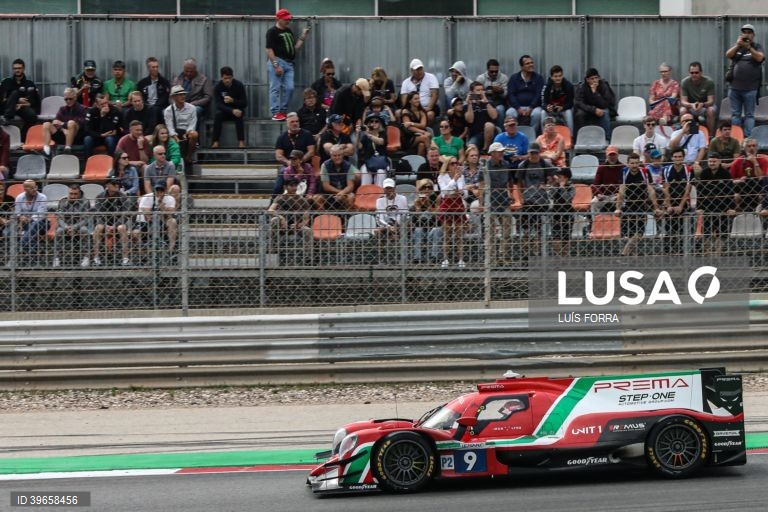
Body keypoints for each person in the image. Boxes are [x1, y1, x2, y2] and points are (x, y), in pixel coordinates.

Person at [266, 8, 310, 121]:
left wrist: (303, 36)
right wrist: (276, 65)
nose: (288, 21)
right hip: (278, 61)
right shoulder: (272, 32)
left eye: (288, 19)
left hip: (289, 63)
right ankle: (276, 112)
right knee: (275, 87)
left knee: (290, 88)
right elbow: (269, 49)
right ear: (279, 19)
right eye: (285, 19)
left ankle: (283, 111)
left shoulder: (288, 31)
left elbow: (295, 48)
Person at [614, 153, 661, 256]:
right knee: (629, 233)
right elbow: (622, 190)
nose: (634, 165)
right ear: (628, 163)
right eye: (632, 163)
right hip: (628, 204)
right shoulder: (624, 172)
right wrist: (618, 207)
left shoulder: (644, 172)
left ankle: (625, 253)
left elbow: (651, 190)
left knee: (639, 232)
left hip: (641, 204)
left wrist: (656, 207)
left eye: (636, 163)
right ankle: (632, 256)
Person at [725, 23, 765, 137]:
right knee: (735, 114)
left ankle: (748, 138)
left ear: (753, 35)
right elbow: (728, 54)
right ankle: (737, 137)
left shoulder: (757, 46)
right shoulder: (738, 47)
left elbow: (760, 57)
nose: (747, 34)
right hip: (734, 88)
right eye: (744, 32)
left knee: (749, 115)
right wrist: (738, 45)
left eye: (749, 32)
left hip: (750, 89)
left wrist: (749, 48)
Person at [516, 143, 555, 259]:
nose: (533, 155)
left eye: (535, 153)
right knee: (526, 230)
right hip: (528, 201)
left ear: (539, 153)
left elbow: (553, 179)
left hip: (541, 201)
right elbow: (518, 183)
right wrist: (521, 198)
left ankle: (538, 253)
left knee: (540, 229)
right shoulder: (523, 165)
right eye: (531, 153)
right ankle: (525, 254)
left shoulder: (544, 164)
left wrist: (547, 185)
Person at [695, 152, 736, 257]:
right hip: (708, 207)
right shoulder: (704, 173)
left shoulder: (725, 174)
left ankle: (718, 252)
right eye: (710, 161)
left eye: (714, 161)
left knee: (722, 231)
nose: (712, 163)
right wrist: (699, 207)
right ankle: (707, 252)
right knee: (707, 231)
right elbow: (700, 192)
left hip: (723, 207)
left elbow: (730, 191)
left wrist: (731, 207)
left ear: (719, 162)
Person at [481, 142, 514, 263]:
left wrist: (511, 193)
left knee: (507, 230)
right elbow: (481, 185)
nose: (502, 153)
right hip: (490, 201)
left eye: (502, 151)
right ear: (492, 153)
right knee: (490, 232)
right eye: (499, 151)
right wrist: (481, 204)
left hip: (504, 199)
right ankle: (491, 258)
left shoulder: (506, 164)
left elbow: (509, 181)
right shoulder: (485, 166)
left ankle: (503, 256)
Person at [92, 179, 131, 266]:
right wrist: (106, 226)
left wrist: (114, 226)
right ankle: (96, 258)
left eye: (118, 183)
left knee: (122, 228)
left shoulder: (123, 197)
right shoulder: (100, 196)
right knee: (98, 228)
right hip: (104, 222)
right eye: (114, 183)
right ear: (107, 185)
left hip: (119, 222)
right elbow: (98, 214)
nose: (117, 185)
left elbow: (125, 214)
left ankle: (125, 258)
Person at [662, 147, 692, 255]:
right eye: (675, 157)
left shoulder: (688, 170)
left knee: (681, 228)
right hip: (670, 201)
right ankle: (667, 252)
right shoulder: (666, 170)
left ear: (683, 158)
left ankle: (681, 251)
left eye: (680, 156)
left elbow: (687, 190)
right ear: (672, 158)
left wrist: (680, 206)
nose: (677, 158)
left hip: (683, 203)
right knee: (669, 227)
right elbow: (666, 188)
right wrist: (669, 205)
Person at [437, 156, 466, 268]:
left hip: (458, 204)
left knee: (459, 234)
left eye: (457, 163)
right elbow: (444, 192)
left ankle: (461, 259)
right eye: (452, 163)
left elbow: (462, 192)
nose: (455, 165)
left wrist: (457, 190)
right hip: (447, 205)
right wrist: (454, 180)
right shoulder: (441, 177)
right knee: (447, 234)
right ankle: (445, 259)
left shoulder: (461, 176)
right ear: (448, 165)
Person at [52, 184, 91, 268]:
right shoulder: (62, 201)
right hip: (65, 226)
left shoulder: (86, 202)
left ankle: (86, 257)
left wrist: (75, 227)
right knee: (59, 231)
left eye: (75, 194)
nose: (72, 196)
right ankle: (57, 258)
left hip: (79, 226)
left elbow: (85, 219)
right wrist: (66, 227)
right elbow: (59, 218)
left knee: (84, 230)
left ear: (79, 193)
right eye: (71, 194)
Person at [133, 183, 177, 256]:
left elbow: (170, 214)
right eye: (157, 190)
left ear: (165, 191)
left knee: (173, 221)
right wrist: (162, 212)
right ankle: (143, 255)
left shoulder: (170, 198)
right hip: (145, 223)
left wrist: (162, 207)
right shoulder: (147, 197)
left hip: (162, 223)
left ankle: (171, 250)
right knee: (136, 232)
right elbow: (147, 216)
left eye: (161, 191)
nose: (159, 193)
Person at [267, 176, 312, 248]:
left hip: (296, 225)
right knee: (274, 220)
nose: (294, 188)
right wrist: (281, 218)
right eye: (291, 186)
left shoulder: (302, 200)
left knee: (308, 231)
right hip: (282, 225)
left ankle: (308, 255)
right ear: (285, 187)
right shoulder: (280, 198)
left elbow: (306, 218)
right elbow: (270, 210)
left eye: (295, 185)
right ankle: (273, 247)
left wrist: (299, 225)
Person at [41, 87, 86, 156]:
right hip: (63, 134)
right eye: (66, 99)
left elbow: (80, 122)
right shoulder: (62, 109)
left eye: (70, 99)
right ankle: (46, 150)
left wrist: (63, 124)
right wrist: (63, 130)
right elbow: (55, 122)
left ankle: (68, 149)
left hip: (76, 136)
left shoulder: (81, 109)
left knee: (71, 123)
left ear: (75, 98)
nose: (68, 101)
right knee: (46, 124)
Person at [505, 55, 544, 134]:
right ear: (522, 67)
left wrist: (531, 107)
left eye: (532, 63)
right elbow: (511, 94)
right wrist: (518, 108)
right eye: (527, 63)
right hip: (517, 107)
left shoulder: (538, 78)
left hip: (534, 107)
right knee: (509, 113)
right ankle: (513, 134)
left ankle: (532, 134)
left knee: (537, 114)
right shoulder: (514, 78)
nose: (531, 65)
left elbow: (538, 94)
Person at [0, 59, 39, 137]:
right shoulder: (6, 82)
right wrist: (16, 101)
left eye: (19, 68)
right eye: (15, 68)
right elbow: (1, 98)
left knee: (32, 116)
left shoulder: (29, 83)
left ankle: (22, 138)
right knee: (15, 93)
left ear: (23, 69)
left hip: (21, 107)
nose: (17, 70)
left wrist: (25, 104)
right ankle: (7, 118)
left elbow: (35, 100)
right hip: (7, 107)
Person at [212, 66, 247, 149]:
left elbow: (244, 103)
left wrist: (233, 101)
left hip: (238, 109)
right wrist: (232, 110)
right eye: (225, 78)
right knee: (218, 115)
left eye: (229, 78)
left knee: (239, 114)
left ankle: (241, 141)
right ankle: (215, 141)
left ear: (232, 77)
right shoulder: (218, 87)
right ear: (221, 78)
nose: (227, 80)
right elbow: (218, 105)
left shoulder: (239, 85)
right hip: (225, 111)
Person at [679, 62, 717, 138]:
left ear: (701, 72)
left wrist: (702, 104)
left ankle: (710, 136)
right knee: (683, 110)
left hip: (704, 106)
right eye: (692, 73)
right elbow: (683, 101)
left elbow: (711, 101)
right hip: (691, 106)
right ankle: (685, 134)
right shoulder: (685, 82)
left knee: (711, 111)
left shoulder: (708, 82)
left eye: (696, 72)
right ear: (689, 73)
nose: (694, 75)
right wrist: (691, 105)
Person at [730, 137, 768, 213]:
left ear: (757, 147)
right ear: (744, 148)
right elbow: (729, 180)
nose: (751, 148)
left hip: (758, 188)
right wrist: (739, 180)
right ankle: (738, 214)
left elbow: (761, 178)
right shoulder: (738, 161)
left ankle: (760, 213)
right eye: (749, 146)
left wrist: (755, 162)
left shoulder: (763, 160)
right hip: (742, 189)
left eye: (754, 146)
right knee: (735, 196)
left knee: (762, 196)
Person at [574, 68, 615, 135]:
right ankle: (579, 137)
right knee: (579, 114)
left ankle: (606, 138)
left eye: (596, 78)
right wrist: (593, 109)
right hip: (588, 109)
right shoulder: (582, 87)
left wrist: (595, 93)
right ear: (587, 80)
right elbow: (579, 103)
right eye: (592, 79)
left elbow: (605, 104)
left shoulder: (603, 85)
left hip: (601, 108)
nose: (595, 80)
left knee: (605, 112)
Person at [171, 58, 214, 124]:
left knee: (195, 111)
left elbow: (208, 97)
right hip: (179, 105)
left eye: (191, 71)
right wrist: (176, 104)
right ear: (184, 69)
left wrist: (193, 104)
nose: (188, 73)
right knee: (165, 112)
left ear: (195, 69)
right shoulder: (177, 79)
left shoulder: (203, 79)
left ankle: (192, 133)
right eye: (186, 71)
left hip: (195, 104)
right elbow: (171, 96)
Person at [164, 85, 198, 165]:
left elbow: (192, 124)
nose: (183, 96)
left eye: (183, 94)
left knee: (194, 134)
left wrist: (187, 133)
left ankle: (188, 157)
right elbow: (169, 127)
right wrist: (175, 136)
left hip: (187, 132)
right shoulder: (168, 110)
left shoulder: (192, 108)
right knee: (167, 136)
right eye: (180, 94)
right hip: (175, 133)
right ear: (173, 97)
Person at [12, 180, 48, 257]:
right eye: (31, 188)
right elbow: (17, 212)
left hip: (42, 224)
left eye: (35, 187)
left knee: (35, 224)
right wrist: (20, 217)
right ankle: (34, 254)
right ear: (25, 189)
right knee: (9, 230)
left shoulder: (42, 197)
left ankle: (22, 242)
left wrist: (28, 219)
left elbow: (40, 215)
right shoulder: (19, 198)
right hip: (24, 223)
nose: (35, 189)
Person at [399, 59, 440, 123]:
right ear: (411, 71)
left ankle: (425, 130)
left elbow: (435, 95)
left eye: (420, 69)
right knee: (398, 113)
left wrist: (428, 108)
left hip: (428, 107)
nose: (419, 71)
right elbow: (404, 100)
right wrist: (411, 110)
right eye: (417, 69)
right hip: (412, 108)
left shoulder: (431, 77)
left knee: (430, 115)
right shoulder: (406, 82)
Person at [411, 178, 441, 264]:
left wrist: (428, 206)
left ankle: (434, 257)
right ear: (420, 189)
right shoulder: (417, 200)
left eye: (429, 187)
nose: (427, 189)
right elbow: (414, 221)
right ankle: (418, 257)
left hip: (434, 227)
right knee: (418, 230)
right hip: (422, 228)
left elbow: (439, 218)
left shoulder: (436, 198)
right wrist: (418, 208)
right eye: (424, 187)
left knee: (436, 230)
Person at [548, 168, 576, 258]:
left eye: (560, 176)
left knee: (566, 237)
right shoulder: (555, 186)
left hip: (567, 212)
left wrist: (563, 188)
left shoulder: (571, 187)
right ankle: (557, 255)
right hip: (556, 212)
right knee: (556, 236)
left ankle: (565, 255)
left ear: (566, 177)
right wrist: (557, 187)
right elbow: (550, 196)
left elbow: (568, 199)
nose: (558, 178)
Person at [320, 144, 357, 210]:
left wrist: (343, 193)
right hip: (329, 193)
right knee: (317, 198)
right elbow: (326, 186)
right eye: (334, 155)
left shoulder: (349, 166)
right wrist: (339, 192)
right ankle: (324, 217)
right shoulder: (325, 165)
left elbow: (350, 186)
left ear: (342, 155)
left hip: (345, 193)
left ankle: (347, 217)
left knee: (351, 196)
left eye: (339, 155)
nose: (337, 157)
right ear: (330, 156)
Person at [465, 81, 498, 152]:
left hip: (491, 133)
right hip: (476, 134)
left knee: (488, 125)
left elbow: (494, 116)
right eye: (478, 90)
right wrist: (470, 104)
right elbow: (470, 120)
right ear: (472, 92)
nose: (481, 92)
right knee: (471, 148)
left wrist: (486, 102)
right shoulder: (467, 106)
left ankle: (485, 149)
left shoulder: (489, 103)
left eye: (482, 90)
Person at [356, 112, 388, 187]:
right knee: (365, 172)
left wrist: (369, 135)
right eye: (371, 121)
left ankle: (379, 195)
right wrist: (358, 134)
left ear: (380, 124)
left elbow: (381, 142)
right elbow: (359, 147)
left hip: (381, 162)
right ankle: (365, 195)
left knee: (380, 173)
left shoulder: (383, 133)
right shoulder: (365, 136)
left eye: (376, 121)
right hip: (368, 162)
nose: (374, 123)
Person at [541, 64, 575, 134]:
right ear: (551, 77)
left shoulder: (569, 86)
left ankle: (570, 136)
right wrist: (547, 107)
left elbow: (571, 103)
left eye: (560, 76)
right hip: (551, 110)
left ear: (562, 76)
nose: (558, 78)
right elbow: (543, 102)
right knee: (543, 113)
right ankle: (544, 135)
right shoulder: (546, 86)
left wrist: (562, 108)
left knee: (569, 113)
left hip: (563, 109)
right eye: (555, 76)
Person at [136, 56, 171, 123]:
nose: (156, 69)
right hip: (146, 105)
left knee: (154, 110)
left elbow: (165, 97)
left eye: (157, 67)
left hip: (159, 106)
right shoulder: (142, 83)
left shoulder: (164, 82)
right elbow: (139, 95)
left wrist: (154, 105)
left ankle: (151, 130)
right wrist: (145, 104)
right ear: (148, 68)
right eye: (153, 67)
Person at [475, 58, 509, 128]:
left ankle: (500, 130)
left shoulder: (503, 78)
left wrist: (501, 91)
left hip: (498, 102)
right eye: (492, 71)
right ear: (487, 70)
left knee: (500, 109)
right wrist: (488, 91)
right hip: (484, 102)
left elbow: (506, 95)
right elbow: (475, 95)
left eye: (496, 71)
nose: (494, 73)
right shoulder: (481, 78)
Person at [591, 145, 623, 215]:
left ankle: (622, 223)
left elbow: (626, 184)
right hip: (603, 196)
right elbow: (595, 184)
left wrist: (620, 194)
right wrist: (598, 194)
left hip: (617, 195)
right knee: (594, 203)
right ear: (606, 156)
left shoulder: (622, 167)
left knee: (623, 203)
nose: (612, 157)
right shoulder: (601, 168)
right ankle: (594, 223)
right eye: (610, 155)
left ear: (617, 155)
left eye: (614, 155)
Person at [400, 91, 431, 156]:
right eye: (415, 99)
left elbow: (423, 125)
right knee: (425, 137)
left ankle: (419, 162)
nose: (418, 100)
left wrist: (411, 123)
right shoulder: (405, 111)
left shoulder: (421, 112)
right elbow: (408, 127)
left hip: (419, 135)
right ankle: (430, 155)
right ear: (410, 101)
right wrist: (423, 132)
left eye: (418, 98)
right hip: (408, 137)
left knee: (421, 145)